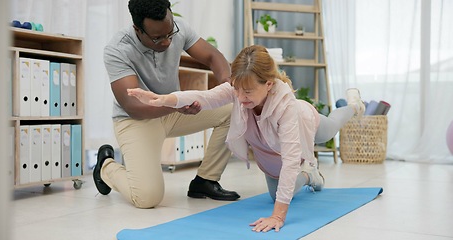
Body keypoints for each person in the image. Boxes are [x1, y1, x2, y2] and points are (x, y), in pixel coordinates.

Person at [128, 45, 366, 232]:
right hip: (271, 148)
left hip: (305, 122)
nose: (240, 97)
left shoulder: (287, 108)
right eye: (237, 90)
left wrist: (277, 216)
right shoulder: (240, 88)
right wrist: (163, 100)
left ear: (269, 84)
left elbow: (292, 159)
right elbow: (205, 96)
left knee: (331, 128)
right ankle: (310, 175)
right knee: (277, 195)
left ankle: (354, 106)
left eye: (248, 92)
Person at [94, 0, 240, 209]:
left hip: (173, 110)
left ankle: (205, 180)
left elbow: (212, 56)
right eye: (157, 38)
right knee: (147, 198)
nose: (166, 42)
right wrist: (175, 105)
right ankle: (105, 167)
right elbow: (131, 105)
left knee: (234, 109)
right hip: (136, 120)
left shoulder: (177, 28)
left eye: (169, 33)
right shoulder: (118, 50)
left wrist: (227, 81)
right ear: (138, 29)